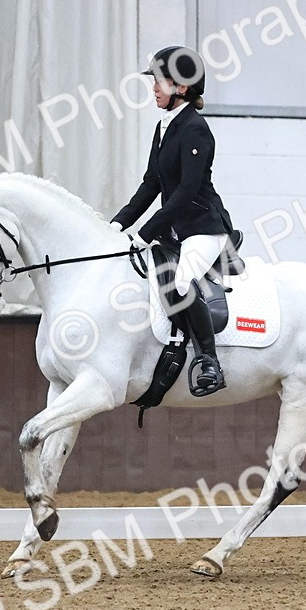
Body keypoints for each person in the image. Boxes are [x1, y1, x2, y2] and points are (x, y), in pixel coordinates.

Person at [111, 45, 235, 397]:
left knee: (181, 283)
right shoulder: (164, 126)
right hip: (177, 228)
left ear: (181, 88)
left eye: (160, 82)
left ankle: (209, 361)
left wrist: (146, 232)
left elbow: (184, 193)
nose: (153, 88)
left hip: (203, 227)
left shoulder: (196, 130)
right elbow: (152, 183)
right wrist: (117, 226)